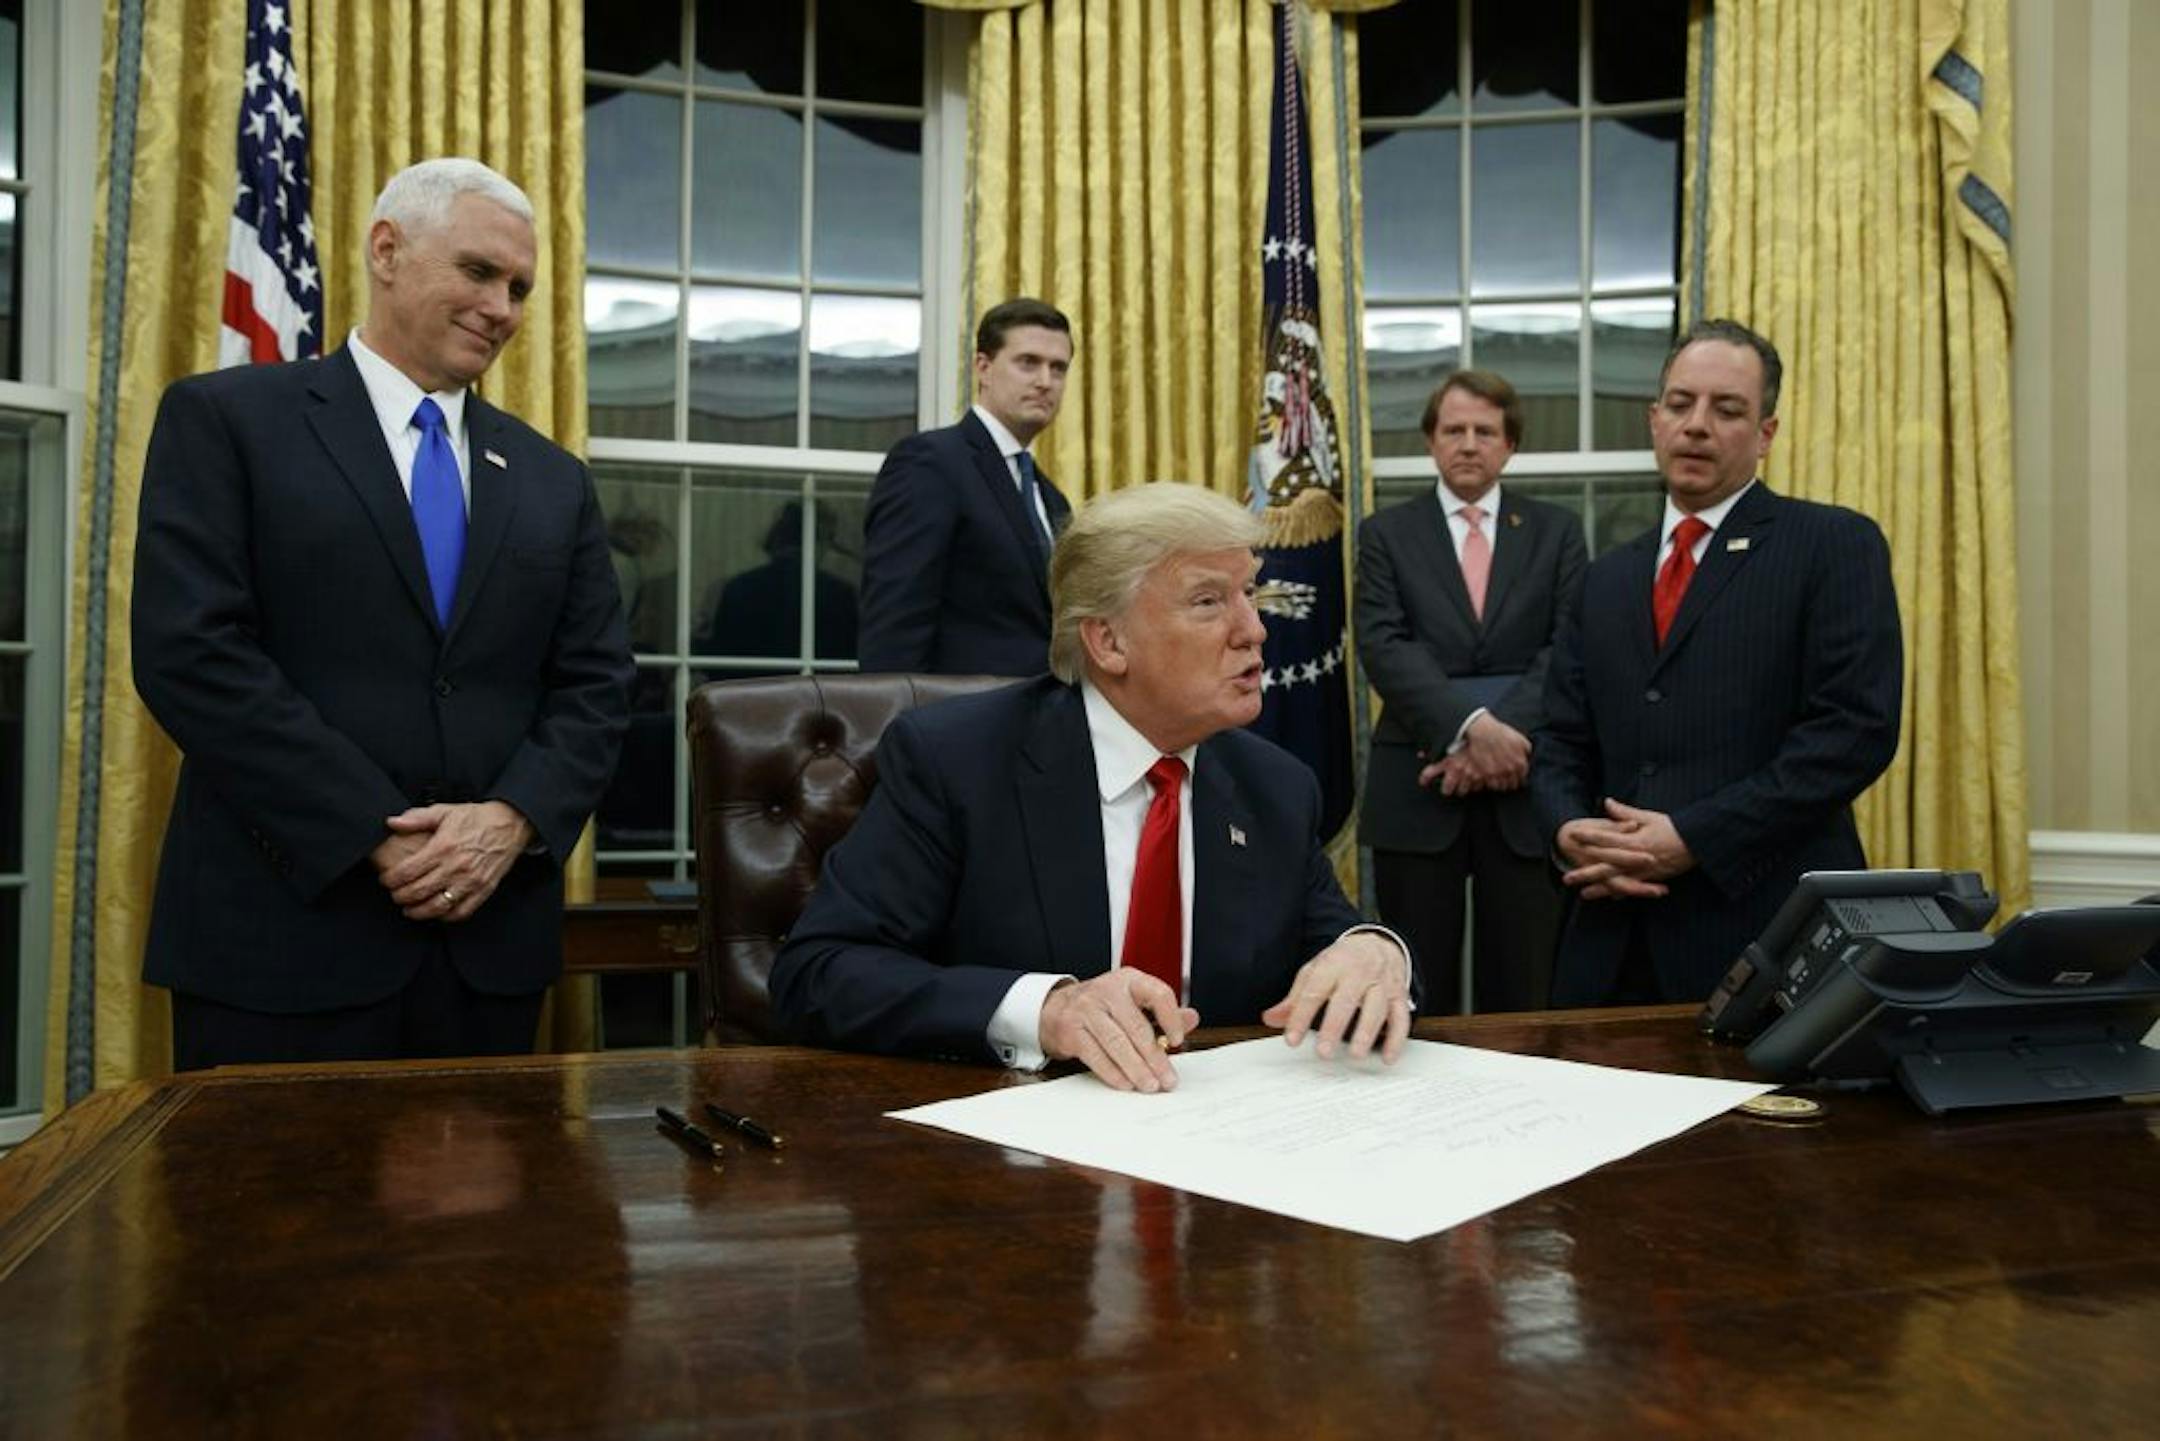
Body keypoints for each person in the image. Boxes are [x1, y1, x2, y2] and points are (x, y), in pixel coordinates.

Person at [132, 157, 634, 1069]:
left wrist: (512, 817)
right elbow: (191, 655)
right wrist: (372, 831)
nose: (502, 307)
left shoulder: (554, 480)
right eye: (478, 271)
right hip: (279, 943)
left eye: (519, 288)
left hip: (484, 954)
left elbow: (596, 686)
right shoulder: (228, 420)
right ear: (388, 251)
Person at [772, 482, 1415, 1092]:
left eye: (1250, 592)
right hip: (1011, 1141)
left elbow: (1340, 946)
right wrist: (1047, 1010)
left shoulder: (1275, 787)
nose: (1254, 629)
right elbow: (819, 973)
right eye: (1209, 601)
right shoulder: (957, 762)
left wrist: (1375, 951)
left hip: (1215, 1137)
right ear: (1108, 642)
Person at [1530, 319, 1903, 1006]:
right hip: (1608, 938)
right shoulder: (1606, 577)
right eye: (1680, 403)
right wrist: (1568, 830)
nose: (1696, 425)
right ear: (1655, 420)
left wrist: (1695, 837)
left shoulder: (1832, 545)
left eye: (1727, 409)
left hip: (1763, 939)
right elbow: (1559, 737)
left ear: (1765, 433)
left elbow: (1854, 732)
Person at [1355, 370, 1586, 1013]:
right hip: (1418, 782)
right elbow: (1383, 644)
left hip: (1525, 785)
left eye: (1485, 431)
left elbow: (1569, 647)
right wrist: (1473, 731)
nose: (1468, 443)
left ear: (1509, 446)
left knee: (1524, 984)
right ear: (1431, 440)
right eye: (1453, 429)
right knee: (1414, 987)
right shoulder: (1385, 533)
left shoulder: (1557, 531)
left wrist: (1502, 739)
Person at [856, 298, 1074, 676]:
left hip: (1038, 706)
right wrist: (894, 710)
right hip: (954, 708)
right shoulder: (930, 462)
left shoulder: (1052, 497)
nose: (1045, 381)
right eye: (1028, 363)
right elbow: (895, 622)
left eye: (1058, 368)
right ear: (983, 368)